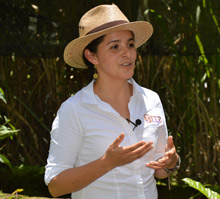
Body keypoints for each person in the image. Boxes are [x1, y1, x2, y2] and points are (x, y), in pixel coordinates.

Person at [44, 4, 180, 199]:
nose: (128, 53)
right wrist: (107, 162)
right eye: (115, 46)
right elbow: (55, 186)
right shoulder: (74, 110)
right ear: (92, 56)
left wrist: (171, 163)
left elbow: (159, 170)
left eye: (130, 44)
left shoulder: (151, 100)